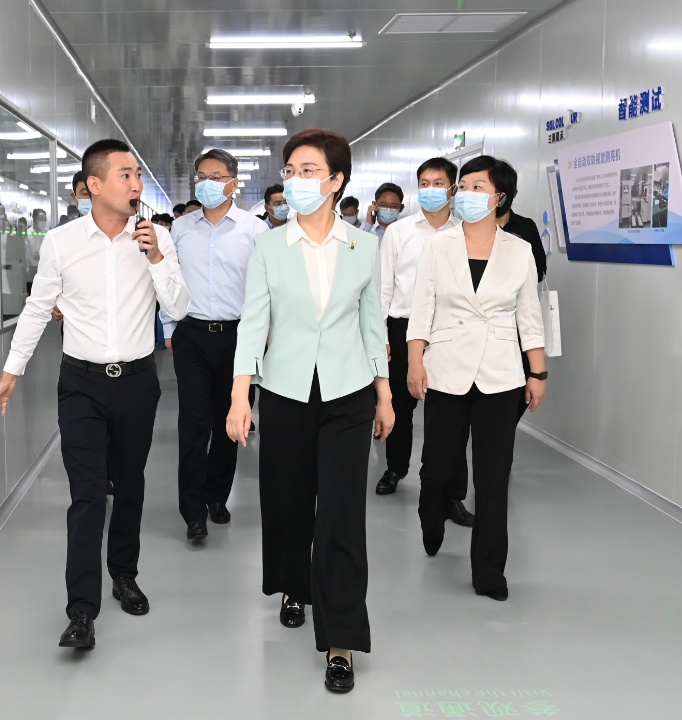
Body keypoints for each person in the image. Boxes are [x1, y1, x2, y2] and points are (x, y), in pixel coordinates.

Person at [0, 139, 190, 650]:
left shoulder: (157, 237)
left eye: (137, 175)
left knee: (130, 484)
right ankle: (81, 609)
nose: (136, 184)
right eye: (125, 175)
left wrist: (156, 257)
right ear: (94, 185)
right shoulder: (61, 242)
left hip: (137, 381)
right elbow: (37, 309)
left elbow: (179, 308)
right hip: (82, 385)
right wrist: (11, 372)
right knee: (88, 493)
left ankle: (124, 573)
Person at [226, 128, 394, 693]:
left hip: (348, 392)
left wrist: (384, 394)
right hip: (286, 391)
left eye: (308, 170)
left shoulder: (364, 246)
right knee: (288, 502)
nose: (295, 180)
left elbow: (372, 323)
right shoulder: (270, 247)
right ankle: (295, 585)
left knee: (342, 514)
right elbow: (254, 322)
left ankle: (340, 639)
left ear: (336, 180)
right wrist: (240, 396)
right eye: (290, 170)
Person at [406, 155, 546, 602]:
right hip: (446, 369)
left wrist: (538, 371)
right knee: (438, 467)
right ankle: (432, 516)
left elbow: (529, 316)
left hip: (500, 376)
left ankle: (489, 573)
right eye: (462, 186)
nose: (465, 194)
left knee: (492, 477)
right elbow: (422, 308)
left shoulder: (519, 250)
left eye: (476, 187)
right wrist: (415, 361)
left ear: (498, 197)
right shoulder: (438, 246)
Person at [162, 149, 268, 541]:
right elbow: (168, 281)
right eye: (202, 177)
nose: (208, 183)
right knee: (193, 424)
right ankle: (192, 511)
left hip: (239, 337)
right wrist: (169, 328)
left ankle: (217, 495)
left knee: (232, 420)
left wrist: (263, 336)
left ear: (233, 183)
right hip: (191, 334)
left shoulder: (255, 230)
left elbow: (267, 288)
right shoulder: (180, 229)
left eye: (217, 176)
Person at [374, 157, 473, 526]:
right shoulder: (399, 232)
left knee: (451, 415)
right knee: (400, 406)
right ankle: (395, 468)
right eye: (424, 183)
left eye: (438, 183)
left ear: (453, 189)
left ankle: (453, 493)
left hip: (447, 332)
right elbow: (384, 286)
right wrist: (380, 335)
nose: (430, 190)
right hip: (402, 330)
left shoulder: (465, 231)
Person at [492, 168, 548, 420]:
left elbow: (539, 269)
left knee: (515, 396)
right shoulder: (469, 230)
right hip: (487, 320)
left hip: (517, 320)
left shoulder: (525, 227)